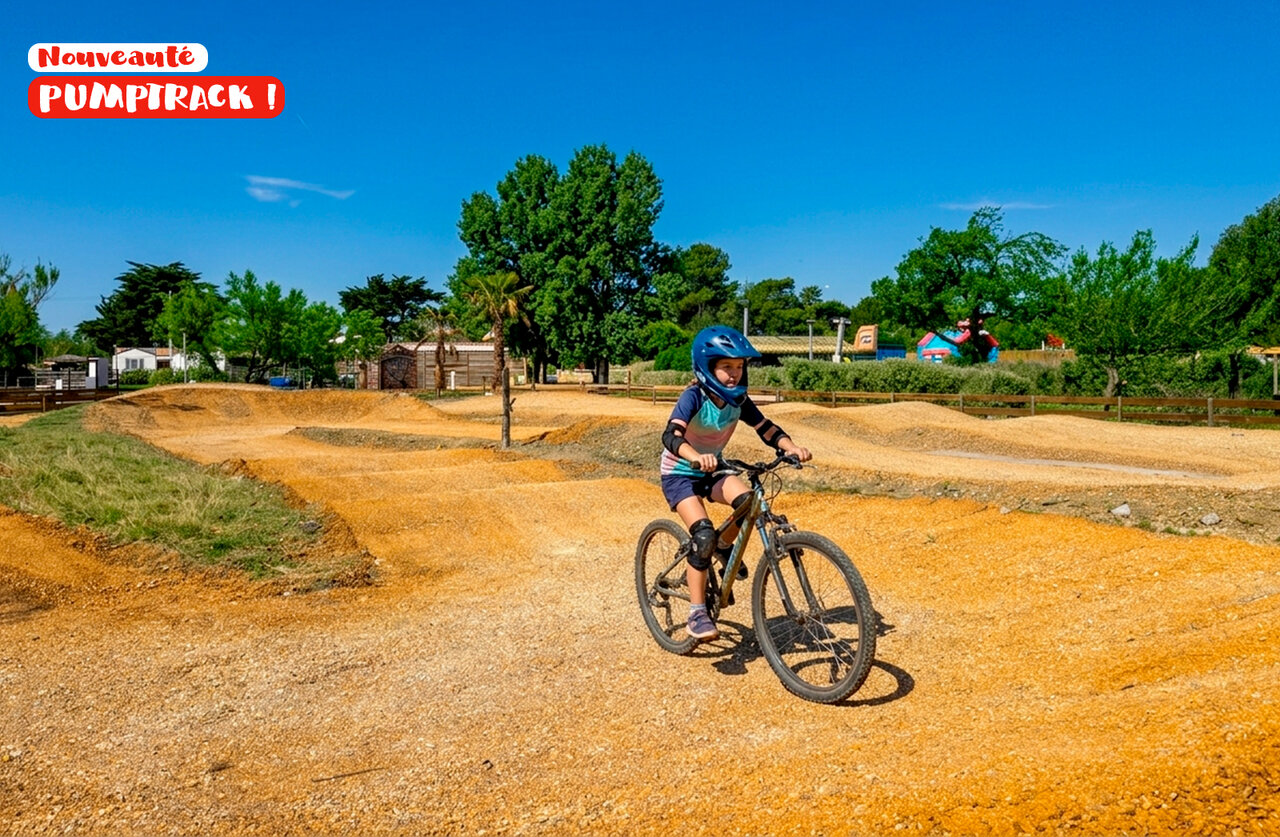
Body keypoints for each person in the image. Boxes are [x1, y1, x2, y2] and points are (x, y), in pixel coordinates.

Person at [659, 326, 811, 641]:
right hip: (680, 473)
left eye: (739, 367)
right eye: (726, 366)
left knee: (748, 504)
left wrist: (790, 446)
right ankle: (697, 612)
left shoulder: (738, 400)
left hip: (712, 470)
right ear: (707, 366)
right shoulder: (694, 396)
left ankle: (724, 546)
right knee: (702, 536)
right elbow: (671, 435)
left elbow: (766, 427)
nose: (734, 374)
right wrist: (694, 455)